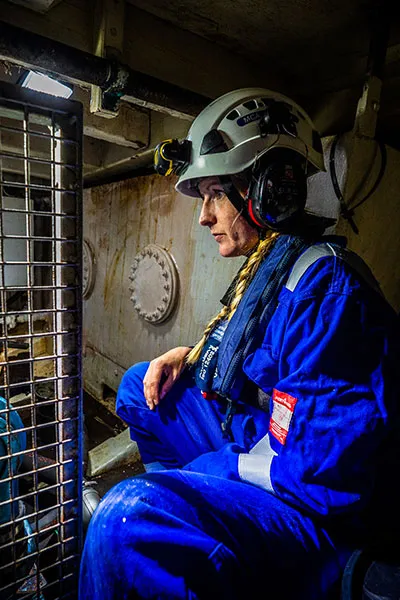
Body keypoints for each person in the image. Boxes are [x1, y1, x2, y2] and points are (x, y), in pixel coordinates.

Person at [79, 88, 400, 599]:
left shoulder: (328, 291)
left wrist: (212, 471)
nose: (203, 216)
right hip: (274, 442)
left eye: (213, 194)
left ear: (268, 189)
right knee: (142, 388)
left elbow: (322, 479)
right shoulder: (275, 268)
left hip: (312, 509)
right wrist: (191, 353)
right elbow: (256, 356)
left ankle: (186, 528)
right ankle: (193, 540)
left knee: (127, 521)